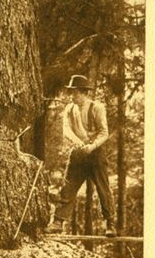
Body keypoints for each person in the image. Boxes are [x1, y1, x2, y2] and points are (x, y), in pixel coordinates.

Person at [46, 74, 116, 237]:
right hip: (78, 153)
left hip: (95, 153)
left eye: (75, 92)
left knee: (103, 188)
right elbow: (66, 130)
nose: (72, 96)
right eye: (71, 92)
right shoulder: (69, 109)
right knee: (68, 187)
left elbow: (104, 132)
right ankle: (57, 222)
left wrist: (91, 146)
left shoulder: (96, 108)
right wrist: (78, 143)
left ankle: (110, 223)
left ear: (84, 93)